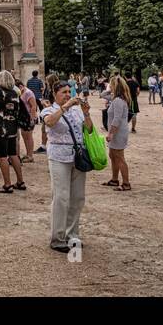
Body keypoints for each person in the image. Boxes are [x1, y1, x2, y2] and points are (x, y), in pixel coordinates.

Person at [40, 81, 96, 253]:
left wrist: (86, 114)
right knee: (61, 197)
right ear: (55, 94)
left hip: (77, 156)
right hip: (58, 157)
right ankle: (58, 237)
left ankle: (73, 234)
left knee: (78, 197)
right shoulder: (48, 110)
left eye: (68, 91)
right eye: (63, 92)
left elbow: (90, 129)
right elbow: (49, 123)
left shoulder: (77, 111)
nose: (67, 94)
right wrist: (64, 107)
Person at [0, 71, 26, 193]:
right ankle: (20, 182)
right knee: (13, 154)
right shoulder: (15, 93)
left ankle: (7, 184)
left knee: (2, 156)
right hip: (12, 127)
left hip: (0, 128)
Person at [103, 76, 131, 191]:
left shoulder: (118, 101)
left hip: (118, 132)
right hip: (116, 132)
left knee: (119, 157)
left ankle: (126, 183)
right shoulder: (115, 98)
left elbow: (117, 119)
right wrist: (110, 89)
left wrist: (111, 133)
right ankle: (114, 180)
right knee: (113, 155)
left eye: (111, 84)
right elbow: (103, 95)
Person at [16, 77, 39, 162]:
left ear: (21, 86)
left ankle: (30, 156)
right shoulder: (21, 92)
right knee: (24, 135)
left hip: (29, 116)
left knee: (28, 137)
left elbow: (33, 106)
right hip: (24, 117)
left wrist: (32, 118)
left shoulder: (28, 93)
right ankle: (28, 153)